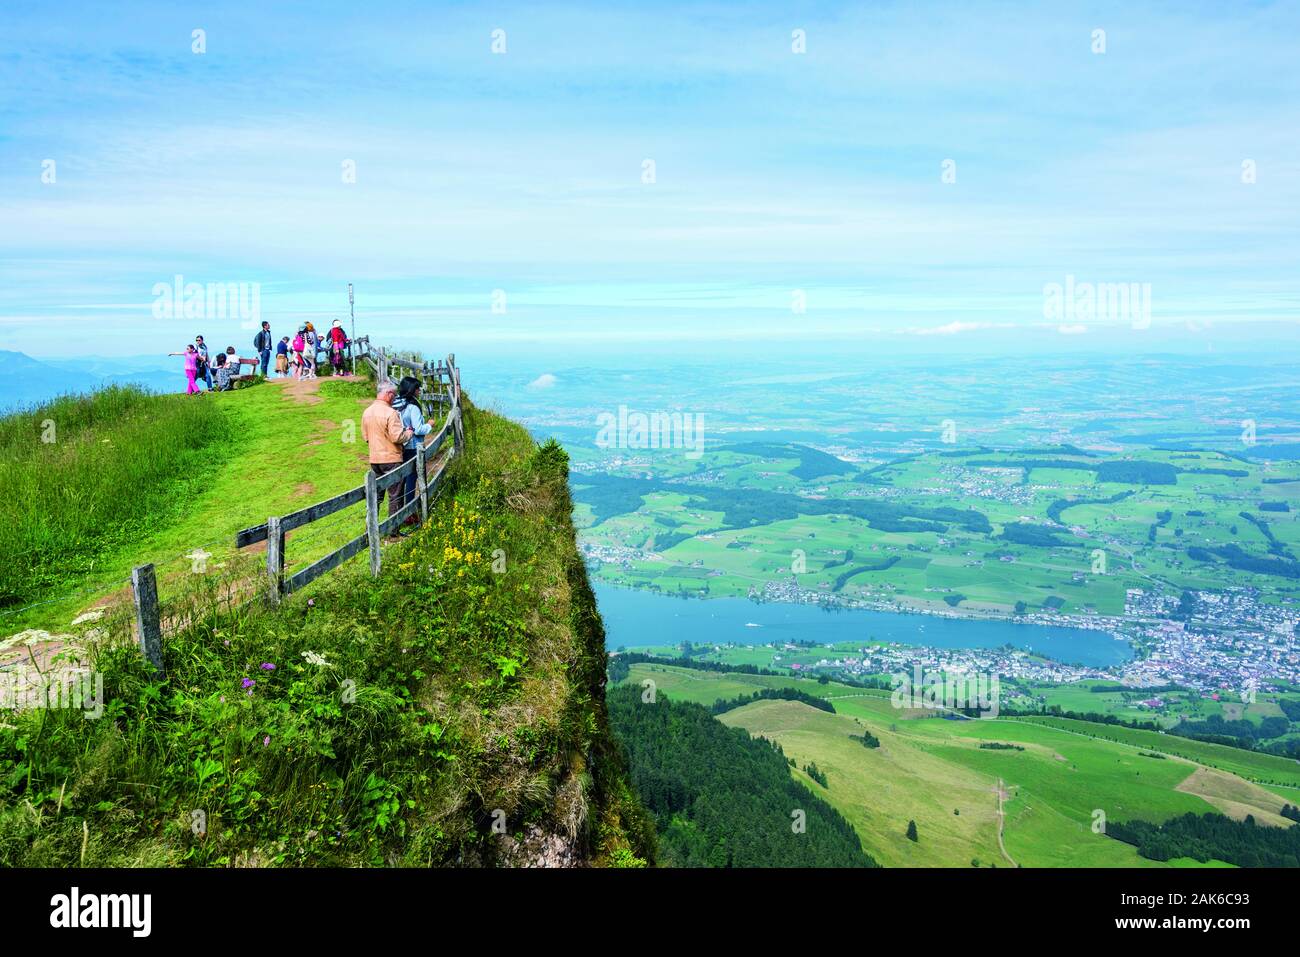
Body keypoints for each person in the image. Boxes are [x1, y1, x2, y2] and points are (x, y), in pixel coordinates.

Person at [362, 381, 414, 532]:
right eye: (394, 395)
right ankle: (393, 530)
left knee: (376, 497)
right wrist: (409, 433)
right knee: (395, 495)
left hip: (374, 459)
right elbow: (397, 437)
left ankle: (370, 529)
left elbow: (366, 437)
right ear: (389, 394)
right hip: (392, 459)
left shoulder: (367, 412)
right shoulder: (391, 413)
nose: (395, 398)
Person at [392, 376, 434, 525]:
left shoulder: (396, 404)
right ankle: (409, 513)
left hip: (400, 446)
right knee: (411, 479)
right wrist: (429, 425)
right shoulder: (412, 407)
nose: (419, 390)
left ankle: (401, 511)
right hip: (413, 446)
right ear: (411, 390)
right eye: (417, 388)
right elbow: (418, 429)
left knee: (401, 481)